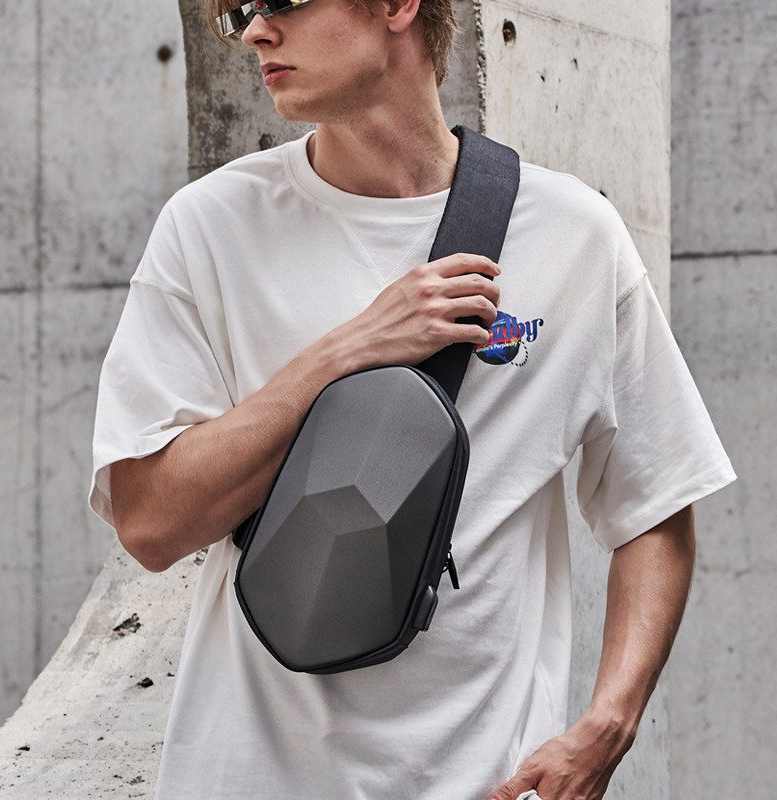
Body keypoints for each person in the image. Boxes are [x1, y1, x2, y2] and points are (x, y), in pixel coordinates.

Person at [89, 0, 735, 797]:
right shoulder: (211, 227)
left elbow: (657, 501)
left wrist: (610, 722)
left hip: (487, 780)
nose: (255, 31)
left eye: (282, 0)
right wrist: (346, 351)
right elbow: (150, 525)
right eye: (240, 11)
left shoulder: (574, 235)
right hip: (252, 776)